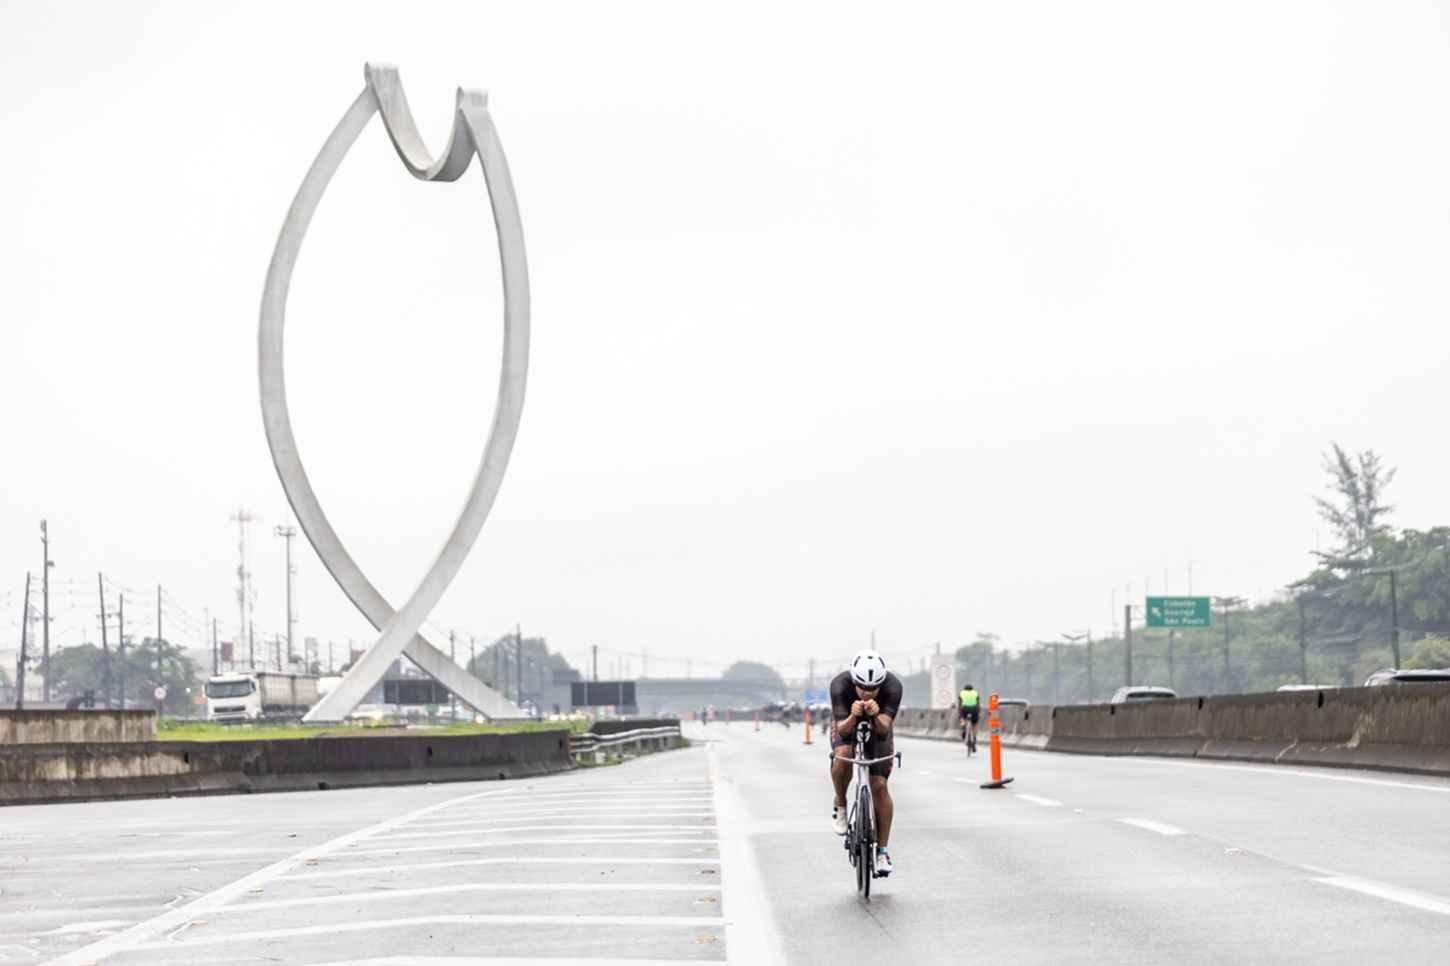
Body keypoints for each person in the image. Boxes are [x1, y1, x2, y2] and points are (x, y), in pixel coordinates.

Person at [828, 649, 902, 876]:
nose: (867, 692)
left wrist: (876, 715)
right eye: (861, 687)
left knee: (879, 785)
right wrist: (853, 715)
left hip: (878, 729)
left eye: (873, 688)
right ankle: (840, 802)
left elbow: (884, 729)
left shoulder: (893, 686)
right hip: (847, 724)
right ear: (853, 680)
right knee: (842, 756)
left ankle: (882, 852)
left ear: (882, 683)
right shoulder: (840, 685)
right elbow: (842, 729)